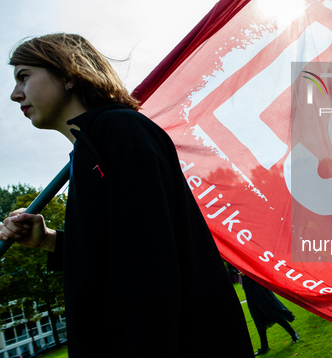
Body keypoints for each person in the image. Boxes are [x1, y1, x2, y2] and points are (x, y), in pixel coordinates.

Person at [0, 33, 253, 357]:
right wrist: (50, 240)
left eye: (23, 76)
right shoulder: (86, 152)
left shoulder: (120, 133)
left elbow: (150, 271)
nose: (13, 94)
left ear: (67, 73)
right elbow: (116, 253)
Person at [238, 271, 299, 356]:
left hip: (259, 287)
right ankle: (264, 346)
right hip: (249, 290)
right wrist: (238, 271)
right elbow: (231, 269)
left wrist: (246, 271)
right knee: (257, 317)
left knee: (272, 312)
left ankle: (293, 333)